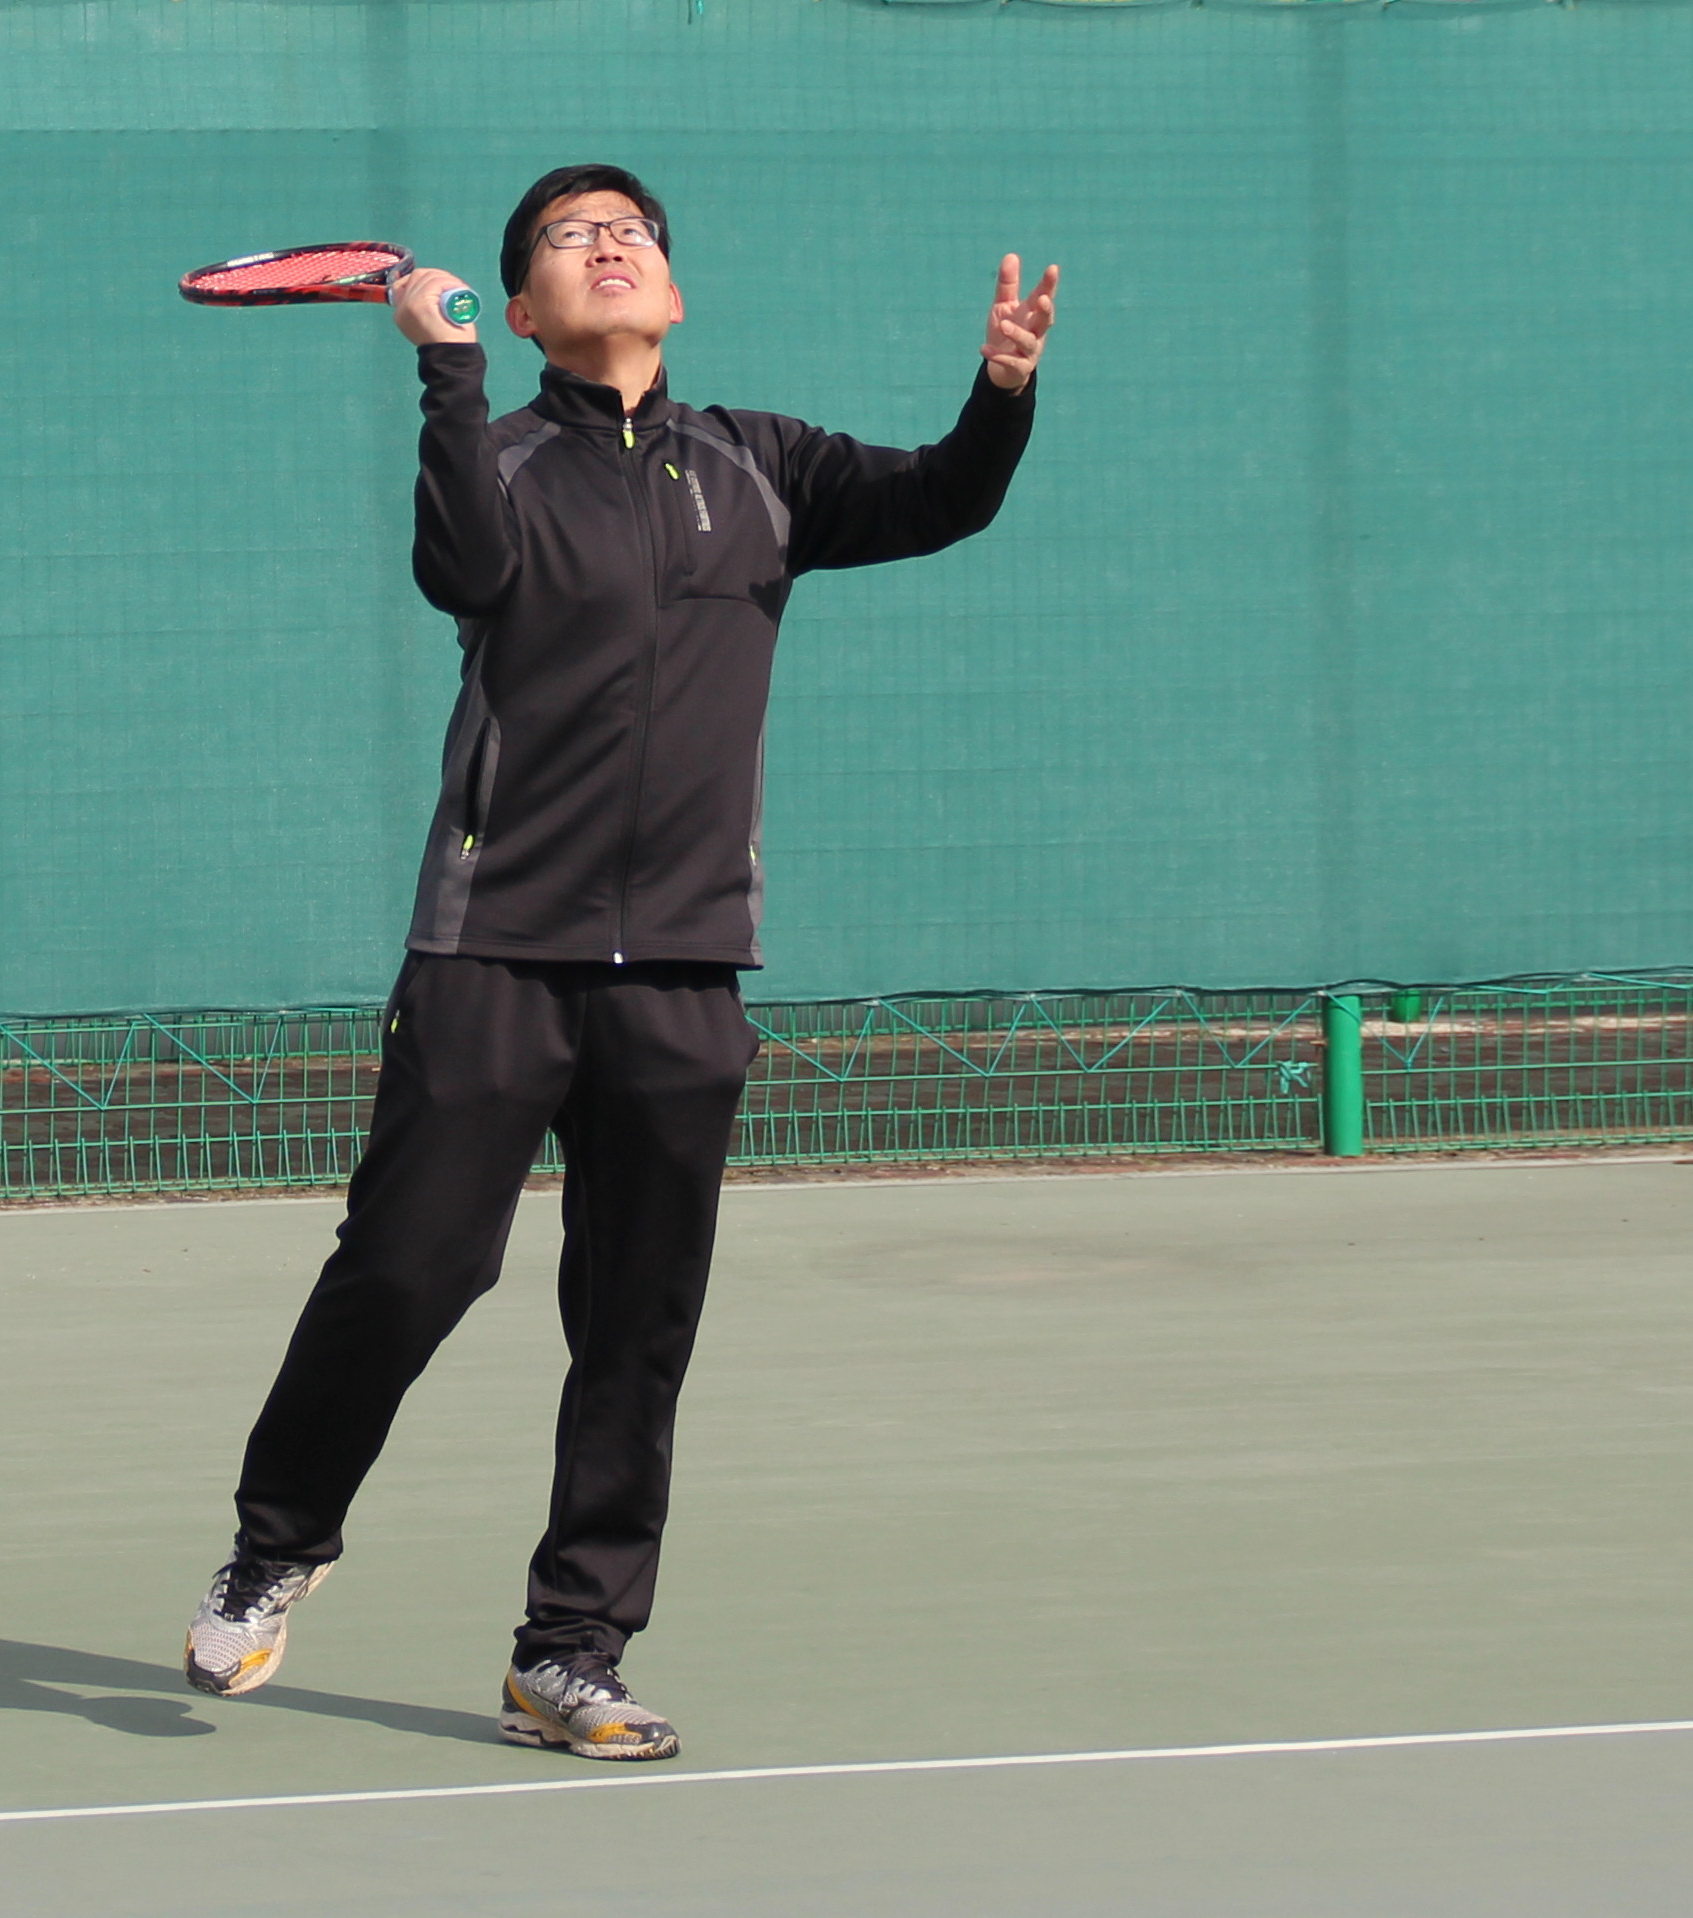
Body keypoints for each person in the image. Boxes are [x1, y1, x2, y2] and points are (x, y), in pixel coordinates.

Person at [183, 162, 1058, 1760]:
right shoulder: (503, 452)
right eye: (570, 238)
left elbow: (944, 497)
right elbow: (462, 571)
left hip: (685, 967)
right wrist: (445, 373)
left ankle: (571, 1650)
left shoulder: (763, 464)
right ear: (524, 310)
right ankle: (277, 1543)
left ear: (672, 291)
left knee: (638, 1321)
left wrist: (1001, 394)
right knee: (408, 1268)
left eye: (632, 232)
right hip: (493, 950)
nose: (609, 245)